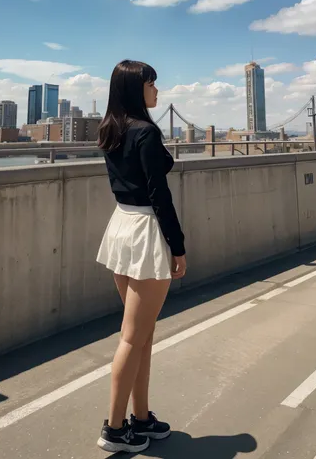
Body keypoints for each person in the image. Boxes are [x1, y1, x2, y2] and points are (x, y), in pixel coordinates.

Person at [96, 60, 187, 454]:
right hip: (148, 230)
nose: (157, 91)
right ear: (138, 89)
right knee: (133, 338)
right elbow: (158, 193)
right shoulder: (147, 131)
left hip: (121, 226)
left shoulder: (111, 129)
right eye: (152, 84)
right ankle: (115, 430)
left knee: (142, 335)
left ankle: (142, 418)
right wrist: (178, 245)